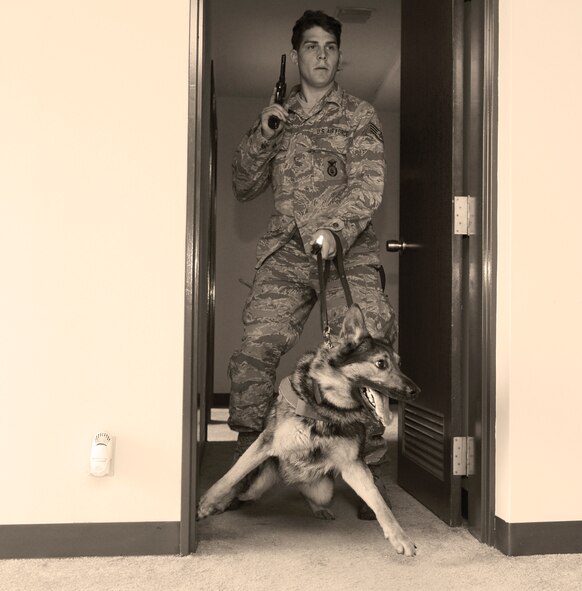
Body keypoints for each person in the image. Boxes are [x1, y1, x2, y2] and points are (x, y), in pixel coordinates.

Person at [228, 10, 396, 519]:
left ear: (339, 56)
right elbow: (242, 182)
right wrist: (263, 132)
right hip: (285, 252)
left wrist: (335, 231)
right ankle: (251, 463)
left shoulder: (359, 115)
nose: (321, 55)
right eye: (311, 46)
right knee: (256, 348)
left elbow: (368, 186)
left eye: (329, 47)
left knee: (365, 355)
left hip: (346, 252)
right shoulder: (278, 117)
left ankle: (370, 467)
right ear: (296, 54)